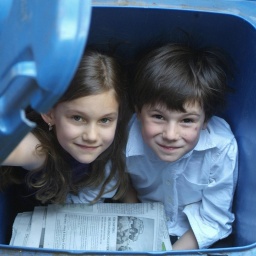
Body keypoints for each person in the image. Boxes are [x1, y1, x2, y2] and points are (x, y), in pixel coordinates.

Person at [123, 43, 238, 250]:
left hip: (193, 236)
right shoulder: (122, 135)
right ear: (138, 112)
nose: (170, 135)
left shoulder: (220, 148)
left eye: (187, 121)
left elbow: (214, 220)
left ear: (205, 120)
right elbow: (120, 182)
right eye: (158, 117)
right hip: (142, 221)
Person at [0, 49, 130, 205]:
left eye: (105, 120)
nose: (92, 136)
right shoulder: (39, 151)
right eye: (77, 118)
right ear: (49, 113)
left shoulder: (121, 136)